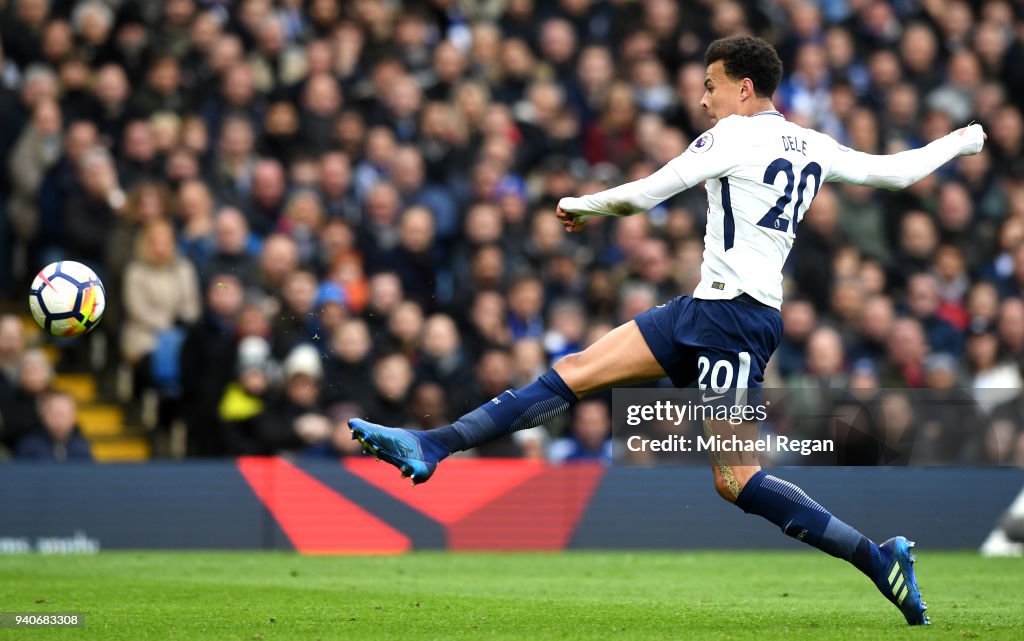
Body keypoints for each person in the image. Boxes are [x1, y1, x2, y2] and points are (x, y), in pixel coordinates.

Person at [349, 35, 987, 626]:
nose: (703, 97)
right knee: (574, 371)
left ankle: (879, 559)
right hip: (700, 309)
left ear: (743, 87)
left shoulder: (731, 135)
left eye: (711, 84)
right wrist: (959, 141)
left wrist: (579, 205)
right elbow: (899, 172)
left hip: (736, 321)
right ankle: (432, 444)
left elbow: (645, 196)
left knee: (735, 479)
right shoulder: (814, 145)